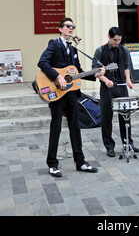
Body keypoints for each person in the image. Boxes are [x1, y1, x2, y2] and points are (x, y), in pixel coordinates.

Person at [37, 17, 104, 177]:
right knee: (56, 127)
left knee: (76, 127)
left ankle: (80, 162)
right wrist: (57, 77)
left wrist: (96, 74)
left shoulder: (73, 50)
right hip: (57, 93)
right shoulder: (54, 44)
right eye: (68, 26)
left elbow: (78, 71)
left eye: (73, 26)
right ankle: (52, 164)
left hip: (72, 94)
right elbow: (42, 62)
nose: (71, 28)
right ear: (60, 29)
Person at [92, 27, 139, 157]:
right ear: (109, 36)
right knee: (106, 117)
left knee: (126, 116)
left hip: (121, 86)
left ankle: (127, 143)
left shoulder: (124, 49)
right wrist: (105, 80)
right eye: (115, 40)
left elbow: (126, 66)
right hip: (107, 88)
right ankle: (109, 146)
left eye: (119, 40)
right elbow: (95, 70)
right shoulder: (100, 50)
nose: (117, 42)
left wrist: (128, 80)